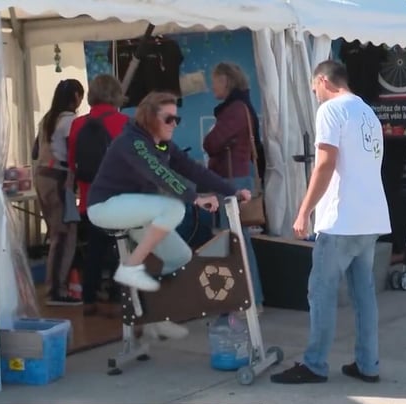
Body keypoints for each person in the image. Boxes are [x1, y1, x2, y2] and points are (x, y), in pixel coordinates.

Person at [86, 91, 252, 339]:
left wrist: (232, 191)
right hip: (105, 206)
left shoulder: (161, 144)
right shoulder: (133, 142)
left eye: (177, 119)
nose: (174, 124)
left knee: (181, 257)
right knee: (173, 208)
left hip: (136, 212)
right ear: (150, 117)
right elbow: (158, 172)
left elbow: (192, 169)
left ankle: (155, 316)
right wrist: (195, 198)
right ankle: (131, 268)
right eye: (169, 119)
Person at [270, 60, 390, 384]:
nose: (316, 96)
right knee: (363, 295)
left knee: (321, 292)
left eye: (314, 90)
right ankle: (368, 364)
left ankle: (315, 364)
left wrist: (304, 210)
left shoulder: (331, 110)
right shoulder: (367, 112)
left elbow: (325, 163)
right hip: (371, 216)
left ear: (323, 81)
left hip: (340, 219)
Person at [202, 62, 265, 311]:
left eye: (215, 80)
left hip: (233, 181)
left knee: (238, 242)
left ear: (226, 81)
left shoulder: (235, 109)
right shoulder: (240, 107)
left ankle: (250, 300)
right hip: (236, 178)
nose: (212, 86)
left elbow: (211, 143)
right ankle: (247, 300)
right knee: (237, 241)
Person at [67, 74, 130, 317]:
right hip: (119, 199)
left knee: (94, 251)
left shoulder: (78, 124)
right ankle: (117, 298)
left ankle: (89, 300)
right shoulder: (125, 123)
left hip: (89, 199)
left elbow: (73, 163)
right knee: (120, 250)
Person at [34, 79, 85, 306]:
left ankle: (56, 287)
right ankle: (56, 291)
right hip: (59, 178)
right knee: (64, 235)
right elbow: (76, 152)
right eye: (80, 95)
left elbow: (35, 150)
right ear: (75, 96)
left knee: (57, 233)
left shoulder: (47, 119)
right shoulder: (70, 122)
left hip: (42, 176)